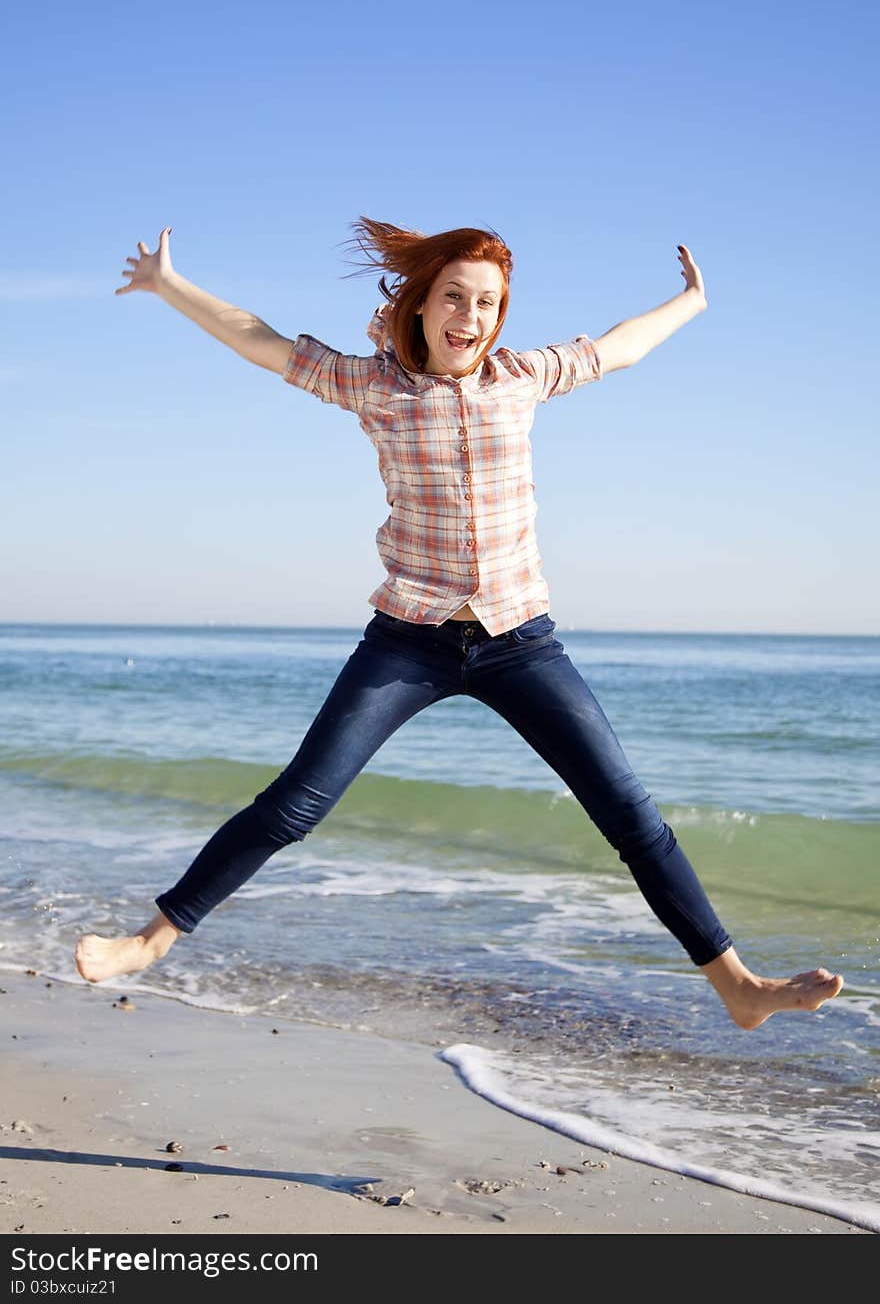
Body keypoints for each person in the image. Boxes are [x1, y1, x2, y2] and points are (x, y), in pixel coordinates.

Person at [74, 219, 843, 1030]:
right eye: (454, 297)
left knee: (630, 814)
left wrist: (691, 302)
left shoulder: (523, 377)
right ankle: (153, 938)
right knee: (297, 802)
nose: (469, 317)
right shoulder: (376, 385)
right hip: (410, 637)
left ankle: (737, 986)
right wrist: (169, 285)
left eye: (487, 303)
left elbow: (621, 347)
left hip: (521, 640)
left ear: (499, 316)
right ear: (422, 302)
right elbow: (261, 342)